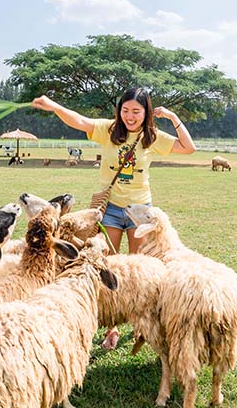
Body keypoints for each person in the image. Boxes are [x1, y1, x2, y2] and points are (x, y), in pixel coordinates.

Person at [32, 88, 196, 349]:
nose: (130, 116)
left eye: (136, 111)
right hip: (110, 209)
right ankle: (112, 326)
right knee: (107, 263)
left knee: (140, 268)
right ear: (119, 111)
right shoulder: (108, 129)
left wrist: (173, 117)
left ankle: (142, 322)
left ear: (146, 113)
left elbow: (189, 147)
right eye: (125, 110)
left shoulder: (152, 137)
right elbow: (80, 120)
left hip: (139, 211)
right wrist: (55, 106)